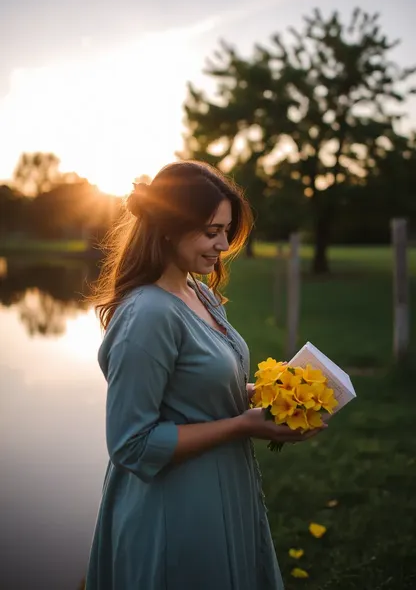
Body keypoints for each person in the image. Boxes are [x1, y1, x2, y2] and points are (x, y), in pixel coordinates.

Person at [85, 160, 326, 590]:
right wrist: (240, 425)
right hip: (174, 509)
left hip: (222, 485)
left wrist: (266, 395)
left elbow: (193, 389)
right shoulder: (148, 315)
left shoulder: (196, 290)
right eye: (211, 231)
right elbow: (131, 444)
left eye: (227, 230)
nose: (223, 244)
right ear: (170, 227)